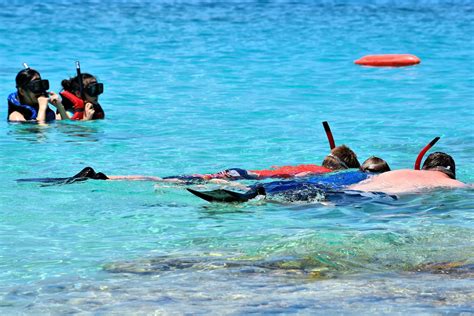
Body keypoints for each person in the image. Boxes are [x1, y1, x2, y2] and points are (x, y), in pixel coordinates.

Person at [186, 155, 391, 203]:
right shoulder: (370, 178)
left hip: (300, 183)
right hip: (312, 189)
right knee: (259, 199)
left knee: (259, 190)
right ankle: (238, 199)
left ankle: (239, 194)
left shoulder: (344, 172)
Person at [348, 152, 466, 195]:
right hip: (383, 201)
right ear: (451, 173)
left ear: (424, 168)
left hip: (349, 191)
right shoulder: (454, 183)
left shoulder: (400, 172)